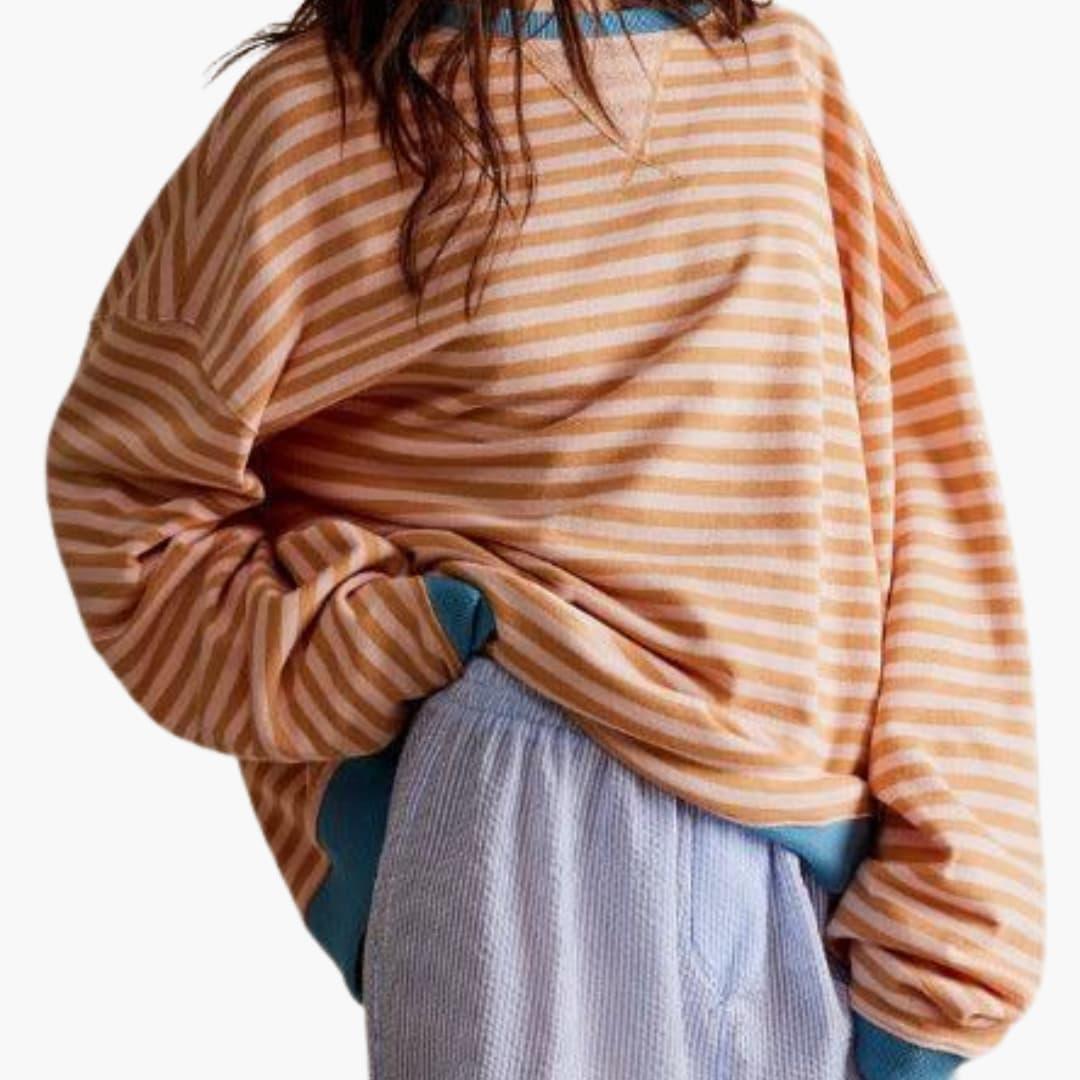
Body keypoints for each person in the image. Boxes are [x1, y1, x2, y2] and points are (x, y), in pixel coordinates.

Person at [44, 1, 1044, 1077]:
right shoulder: (313, 116)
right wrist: (388, 639)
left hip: (805, 847)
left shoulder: (780, 76)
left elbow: (921, 480)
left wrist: (957, 917)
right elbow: (130, 499)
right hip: (522, 792)